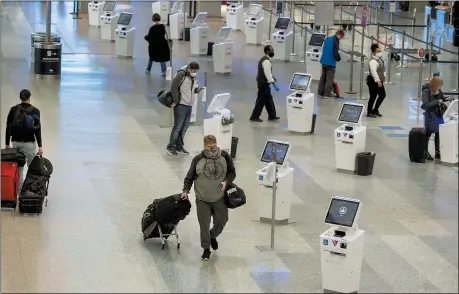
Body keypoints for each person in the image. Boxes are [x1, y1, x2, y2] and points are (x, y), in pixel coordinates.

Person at [181, 135, 236, 260]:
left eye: (213, 145)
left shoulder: (225, 156)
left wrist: (226, 182)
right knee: (204, 225)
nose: (211, 148)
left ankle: (213, 235)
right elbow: (189, 177)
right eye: (209, 146)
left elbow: (232, 172)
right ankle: (206, 249)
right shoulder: (198, 159)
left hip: (219, 197)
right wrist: (185, 191)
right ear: (204, 145)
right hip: (202, 199)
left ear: (216, 143)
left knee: (222, 221)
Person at [5, 89, 43, 190]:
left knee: (19, 169)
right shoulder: (35, 111)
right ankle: (29, 192)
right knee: (31, 169)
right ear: (29, 98)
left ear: (20, 98)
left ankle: (19, 193)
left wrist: (7, 143)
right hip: (29, 144)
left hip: (16, 144)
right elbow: (37, 129)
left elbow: (8, 127)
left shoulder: (13, 109)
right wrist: (40, 146)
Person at [166, 62, 201, 156]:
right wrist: (176, 101)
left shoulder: (193, 77)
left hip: (189, 105)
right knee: (177, 127)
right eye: (193, 70)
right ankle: (170, 147)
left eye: (195, 71)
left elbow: (191, 89)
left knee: (184, 127)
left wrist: (196, 90)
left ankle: (179, 146)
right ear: (189, 68)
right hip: (181, 105)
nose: (194, 72)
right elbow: (173, 87)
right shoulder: (181, 74)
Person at [249, 45, 280, 122]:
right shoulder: (266, 61)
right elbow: (267, 73)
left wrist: (273, 78)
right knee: (261, 100)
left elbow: (267, 72)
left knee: (268, 99)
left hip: (264, 82)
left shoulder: (266, 59)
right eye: (271, 50)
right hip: (263, 83)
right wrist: (273, 83)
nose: (273, 52)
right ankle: (254, 116)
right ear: (267, 51)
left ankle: (272, 115)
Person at [421, 77, 446, 160]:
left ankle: (437, 152)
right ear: (435, 85)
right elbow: (426, 105)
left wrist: (446, 99)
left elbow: (442, 98)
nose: (440, 88)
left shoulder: (439, 91)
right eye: (439, 85)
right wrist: (437, 101)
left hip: (438, 114)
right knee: (428, 133)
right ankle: (425, 151)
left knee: (439, 133)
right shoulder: (426, 91)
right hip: (430, 116)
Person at [317, 30, 344, 99]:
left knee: (323, 77)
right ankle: (327, 94)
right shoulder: (335, 41)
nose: (341, 39)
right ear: (340, 35)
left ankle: (320, 93)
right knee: (329, 79)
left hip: (323, 61)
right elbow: (335, 54)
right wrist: (338, 58)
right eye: (341, 37)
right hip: (330, 63)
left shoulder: (327, 39)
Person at [366, 43, 386, 118]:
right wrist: (378, 81)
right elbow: (373, 72)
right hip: (373, 81)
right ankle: (369, 112)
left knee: (382, 95)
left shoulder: (379, 59)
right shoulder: (373, 61)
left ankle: (375, 110)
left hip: (379, 80)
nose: (380, 52)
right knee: (373, 96)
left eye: (380, 51)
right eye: (378, 51)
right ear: (374, 52)